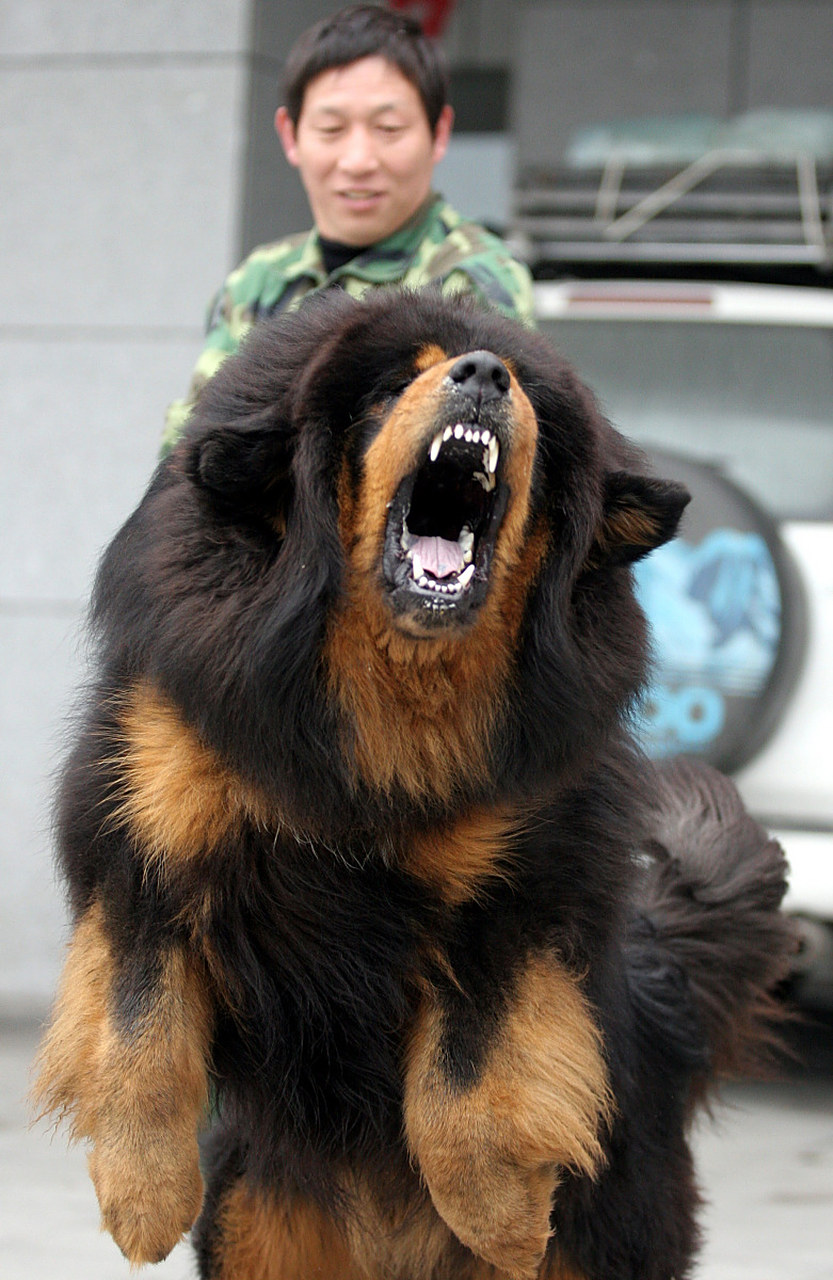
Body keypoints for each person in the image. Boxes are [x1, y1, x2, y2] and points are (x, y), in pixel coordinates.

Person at [161, 3, 534, 453]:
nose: (358, 161)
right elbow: (192, 449)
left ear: (438, 133)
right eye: (332, 128)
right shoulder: (258, 284)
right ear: (290, 135)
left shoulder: (470, 281)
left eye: (389, 128)